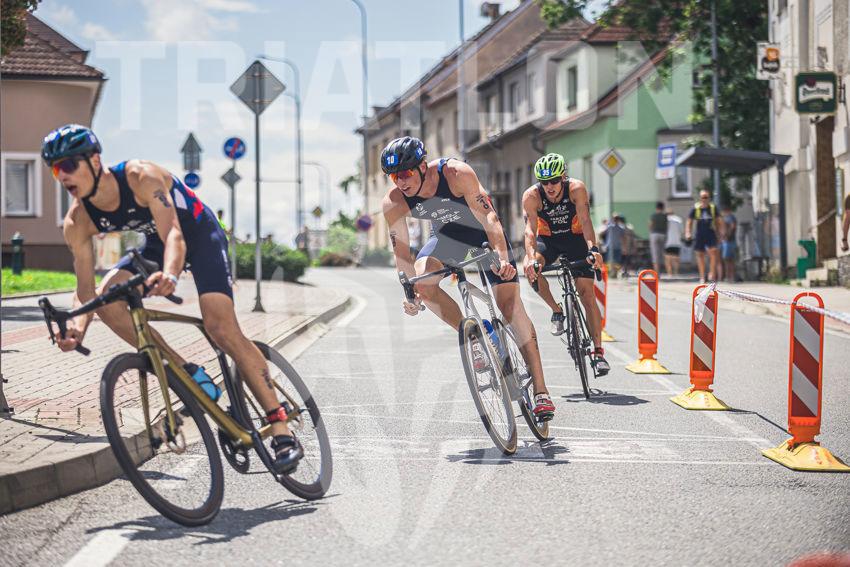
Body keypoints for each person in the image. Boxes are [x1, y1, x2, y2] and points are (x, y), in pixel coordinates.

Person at [41, 124, 302, 473]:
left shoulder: (140, 176)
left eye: (68, 165)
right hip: (153, 246)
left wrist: (171, 275)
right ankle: (188, 372)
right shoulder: (78, 219)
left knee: (221, 328)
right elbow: (85, 292)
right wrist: (75, 329)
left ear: (95, 160)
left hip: (200, 236)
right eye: (55, 170)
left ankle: (280, 428)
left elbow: (175, 234)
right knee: (107, 299)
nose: (62, 176)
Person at [380, 136, 556, 420]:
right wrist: (411, 294)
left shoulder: (455, 173)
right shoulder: (394, 201)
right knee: (422, 281)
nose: (400, 182)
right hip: (447, 240)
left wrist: (502, 257)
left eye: (405, 173)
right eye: (393, 176)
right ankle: (474, 333)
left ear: (422, 166)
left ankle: (541, 391)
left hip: (484, 235)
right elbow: (401, 253)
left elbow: (489, 218)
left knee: (510, 307)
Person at [521, 153, 610, 376]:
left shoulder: (576, 189)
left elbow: (586, 220)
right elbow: (530, 231)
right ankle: (557, 310)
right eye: (544, 182)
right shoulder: (532, 196)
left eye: (554, 181)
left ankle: (598, 353)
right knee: (530, 269)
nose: (549, 187)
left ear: (563, 177)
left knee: (587, 295)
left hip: (575, 239)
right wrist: (531, 258)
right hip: (548, 241)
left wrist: (593, 249)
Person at [686, 190, 722, 283]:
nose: (704, 199)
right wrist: (688, 233)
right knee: (700, 254)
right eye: (703, 197)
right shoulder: (696, 208)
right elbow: (689, 221)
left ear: (709, 198)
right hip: (700, 234)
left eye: (706, 197)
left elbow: (719, 221)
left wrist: (720, 233)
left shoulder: (713, 208)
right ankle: (702, 276)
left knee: (713, 252)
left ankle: (711, 274)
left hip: (711, 233)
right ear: (700, 198)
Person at [648, 201, 668, 275]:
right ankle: (664, 270)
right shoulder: (665, 216)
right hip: (663, 234)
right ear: (663, 207)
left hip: (654, 234)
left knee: (655, 254)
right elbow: (667, 226)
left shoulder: (653, 215)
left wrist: (650, 232)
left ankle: (656, 273)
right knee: (661, 253)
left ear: (656, 207)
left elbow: (650, 225)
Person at [720, 204, 738, 283]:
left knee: (728, 259)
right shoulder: (729, 217)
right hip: (728, 241)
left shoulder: (730, 217)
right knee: (729, 259)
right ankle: (730, 276)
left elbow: (732, 226)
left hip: (729, 241)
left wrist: (727, 235)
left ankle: (729, 276)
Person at [664, 209, 684, 277]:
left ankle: (670, 274)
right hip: (677, 242)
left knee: (668, 259)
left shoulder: (666, 220)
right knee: (676, 259)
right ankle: (676, 273)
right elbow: (682, 231)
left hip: (668, 242)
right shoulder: (678, 219)